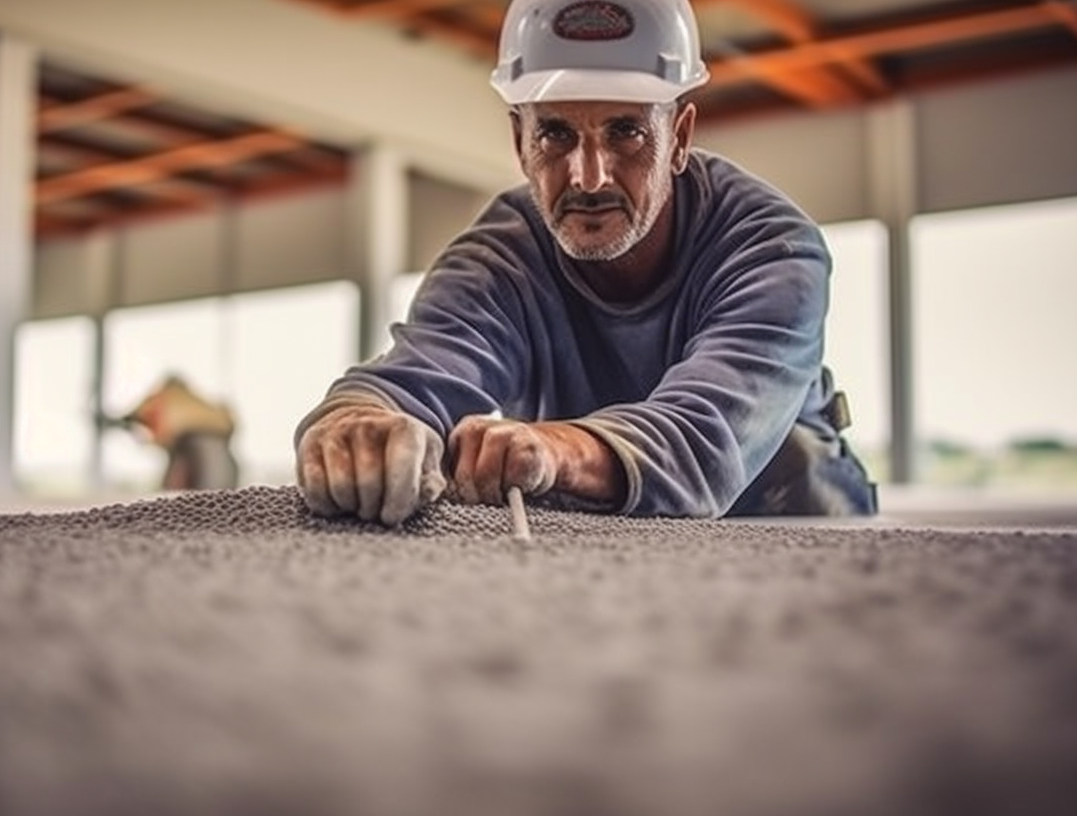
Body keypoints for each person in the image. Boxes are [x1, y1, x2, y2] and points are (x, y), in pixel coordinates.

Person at [294, 0, 876, 526]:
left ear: (678, 138)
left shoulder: (772, 247)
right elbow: (413, 378)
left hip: (792, 522)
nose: (590, 176)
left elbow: (704, 441)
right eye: (554, 133)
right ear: (519, 142)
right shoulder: (499, 260)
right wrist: (355, 430)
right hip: (602, 538)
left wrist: (549, 452)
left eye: (626, 132)